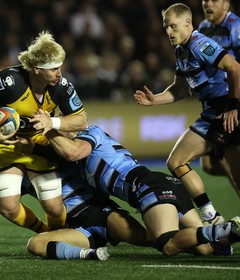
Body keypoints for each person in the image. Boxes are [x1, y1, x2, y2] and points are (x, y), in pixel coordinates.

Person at [32, 115, 240, 257]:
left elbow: (72, 151)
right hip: (162, 184)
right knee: (205, 250)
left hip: (147, 188)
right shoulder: (76, 163)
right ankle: (226, 234)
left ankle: (223, 229)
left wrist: (50, 128)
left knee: (167, 244)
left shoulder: (90, 133)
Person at [0, 145, 232, 260]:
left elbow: (71, 150)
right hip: (76, 227)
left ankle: (214, 234)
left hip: (100, 213)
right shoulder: (24, 176)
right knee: (35, 245)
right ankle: (90, 254)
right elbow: (4, 203)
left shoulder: (62, 154)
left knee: (156, 240)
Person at [0, 31, 88, 233]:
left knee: (54, 208)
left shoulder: (61, 86)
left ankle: (58, 235)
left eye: (60, 67)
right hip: (7, 143)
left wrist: (51, 122)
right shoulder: (8, 82)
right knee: (7, 208)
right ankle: (45, 234)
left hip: (40, 142)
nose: (59, 73)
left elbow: (81, 121)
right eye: (53, 69)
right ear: (35, 69)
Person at [134, 3, 240, 225]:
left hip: (226, 112)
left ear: (188, 23)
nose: (169, 32)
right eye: (166, 28)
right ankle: (211, 216)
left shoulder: (200, 44)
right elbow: (179, 88)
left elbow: (234, 68)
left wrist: (233, 106)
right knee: (176, 161)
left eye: (173, 26)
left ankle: (213, 219)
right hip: (211, 114)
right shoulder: (181, 50)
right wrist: (155, 100)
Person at [197, 0, 240, 197]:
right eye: (206, 0)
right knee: (208, 163)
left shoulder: (235, 27)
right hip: (216, 103)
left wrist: (234, 104)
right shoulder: (204, 28)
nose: (208, 4)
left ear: (226, 5)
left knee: (228, 158)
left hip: (232, 101)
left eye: (214, 0)